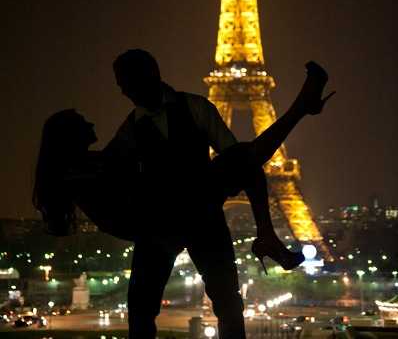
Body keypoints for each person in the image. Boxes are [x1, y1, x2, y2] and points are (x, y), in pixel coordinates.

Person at [33, 50, 334, 339]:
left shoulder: (189, 109)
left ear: (150, 75)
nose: (123, 91)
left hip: (188, 212)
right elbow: (112, 183)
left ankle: (298, 113)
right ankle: (299, 112)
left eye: (125, 83)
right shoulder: (127, 132)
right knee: (246, 159)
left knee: (182, 308)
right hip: (167, 219)